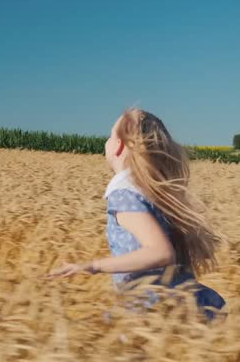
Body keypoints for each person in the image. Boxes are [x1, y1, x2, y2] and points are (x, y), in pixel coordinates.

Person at [45, 108, 226, 321]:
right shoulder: (153, 190)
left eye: (111, 135)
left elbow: (160, 252)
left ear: (119, 146)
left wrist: (93, 266)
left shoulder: (124, 194)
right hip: (181, 305)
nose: (108, 141)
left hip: (151, 311)